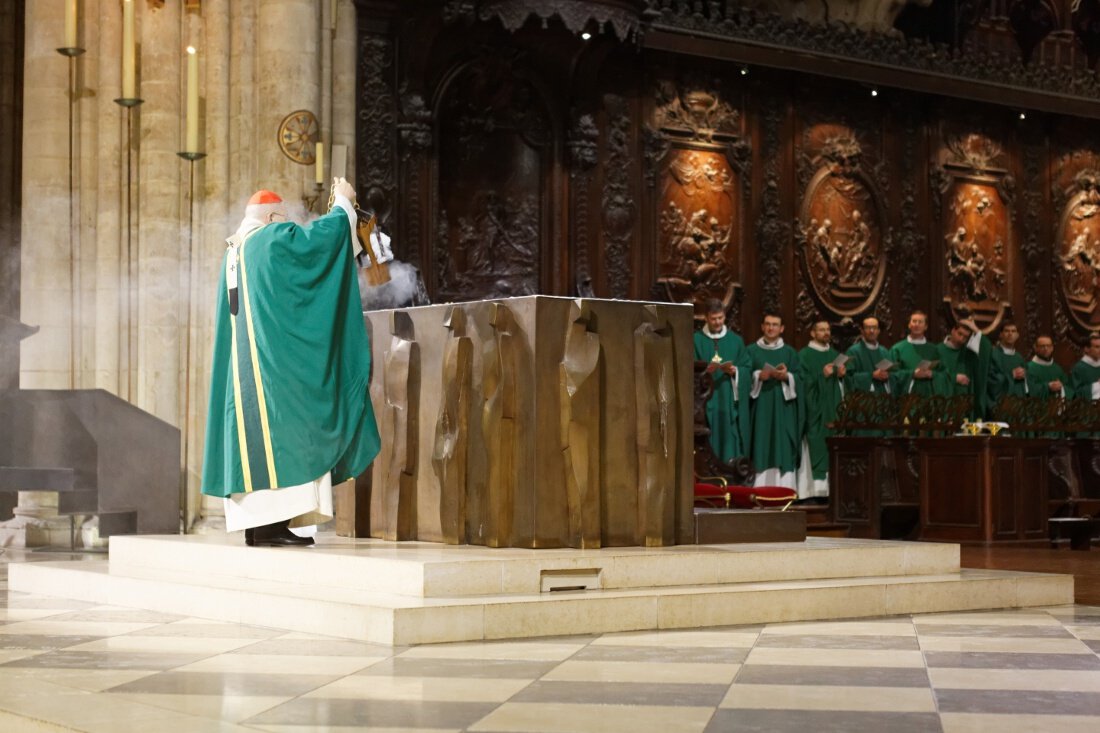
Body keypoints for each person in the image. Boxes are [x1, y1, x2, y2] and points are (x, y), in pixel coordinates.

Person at [201, 181, 382, 547]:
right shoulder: (270, 239)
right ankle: (270, 526)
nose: (286, 226)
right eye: (282, 220)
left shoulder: (235, 252)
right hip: (274, 374)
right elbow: (317, 247)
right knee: (291, 432)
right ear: (270, 218)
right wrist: (343, 205)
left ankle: (261, 526)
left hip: (248, 377)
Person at [747, 313, 803, 488]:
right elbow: (743, 376)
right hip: (761, 407)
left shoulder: (790, 353)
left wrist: (787, 376)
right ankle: (758, 489)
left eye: (775, 325)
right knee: (761, 443)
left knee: (782, 444)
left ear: (782, 328)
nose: (771, 328)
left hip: (782, 408)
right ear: (762, 327)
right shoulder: (751, 351)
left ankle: (783, 489)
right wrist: (758, 376)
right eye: (768, 324)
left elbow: (801, 379)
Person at [693, 299, 752, 463]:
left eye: (720, 318)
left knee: (728, 432)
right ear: (706, 318)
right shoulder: (696, 340)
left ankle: (729, 470)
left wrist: (736, 371)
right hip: (705, 401)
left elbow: (747, 366)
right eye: (713, 319)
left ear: (725, 316)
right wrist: (705, 371)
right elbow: (689, 368)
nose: (717, 322)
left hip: (727, 397)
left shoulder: (736, 341)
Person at [797, 321, 845, 499]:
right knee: (817, 443)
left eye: (828, 330)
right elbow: (801, 382)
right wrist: (820, 376)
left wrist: (841, 377)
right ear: (812, 333)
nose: (826, 333)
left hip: (832, 408)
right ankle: (815, 491)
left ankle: (831, 490)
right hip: (816, 411)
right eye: (821, 330)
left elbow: (842, 387)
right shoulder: (804, 355)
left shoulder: (834, 354)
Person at [936, 317, 992, 418]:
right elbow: (933, 375)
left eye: (966, 337)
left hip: (964, 403)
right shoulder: (937, 350)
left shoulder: (969, 354)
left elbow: (986, 348)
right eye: (960, 334)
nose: (962, 338)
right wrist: (954, 378)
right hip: (944, 401)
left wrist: (975, 328)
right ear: (953, 330)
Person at [889, 311, 940, 397]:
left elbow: (943, 373)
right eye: (914, 321)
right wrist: (912, 374)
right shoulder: (897, 349)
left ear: (926, 327)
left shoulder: (934, 350)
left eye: (920, 322)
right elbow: (891, 375)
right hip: (906, 398)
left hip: (929, 396)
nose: (916, 324)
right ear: (909, 325)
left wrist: (932, 374)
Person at [845, 316, 894, 395]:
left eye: (874, 327)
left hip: (884, 399)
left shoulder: (884, 352)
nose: (872, 331)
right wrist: (871, 375)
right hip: (863, 400)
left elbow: (894, 375)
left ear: (878, 331)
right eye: (868, 328)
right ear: (862, 331)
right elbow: (847, 378)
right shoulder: (853, 351)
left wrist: (888, 375)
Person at [987, 321, 1028, 407]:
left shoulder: (1019, 357)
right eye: (1007, 331)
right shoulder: (993, 354)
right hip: (1000, 404)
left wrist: (1025, 377)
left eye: (1013, 331)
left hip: (1018, 404)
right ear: (1001, 334)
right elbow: (990, 380)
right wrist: (1011, 375)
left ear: (1017, 335)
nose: (1010, 334)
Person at [1027, 335, 1072, 401]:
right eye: (1042, 346)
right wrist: (1048, 387)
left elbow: (1069, 388)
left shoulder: (1057, 368)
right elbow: (1028, 390)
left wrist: (1061, 387)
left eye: (1048, 346)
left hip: (1056, 407)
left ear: (1052, 348)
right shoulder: (1029, 367)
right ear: (1035, 348)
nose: (1046, 348)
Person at [1070, 332, 1100, 400]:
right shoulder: (1079, 368)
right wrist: (1097, 386)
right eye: (1097, 347)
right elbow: (1076, 393)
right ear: (1086, 349)